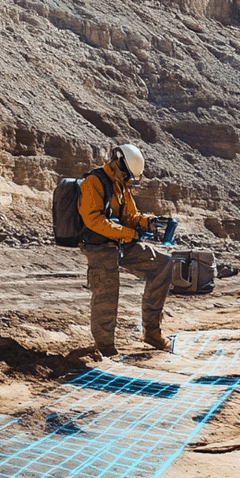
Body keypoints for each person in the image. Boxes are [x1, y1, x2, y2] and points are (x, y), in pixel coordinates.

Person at [72, 144, 174, 360]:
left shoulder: (121, 186)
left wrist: (148, 222)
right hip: (98, 244)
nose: (128, 180)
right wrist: (129, 233)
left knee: (163, 263)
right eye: (127, 174)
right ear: (118, 163)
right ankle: (105, 347)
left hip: (118, 241)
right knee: (107, 290)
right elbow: (94, 221)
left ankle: (152, 333)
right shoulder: (93, 183)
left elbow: (131, 215)